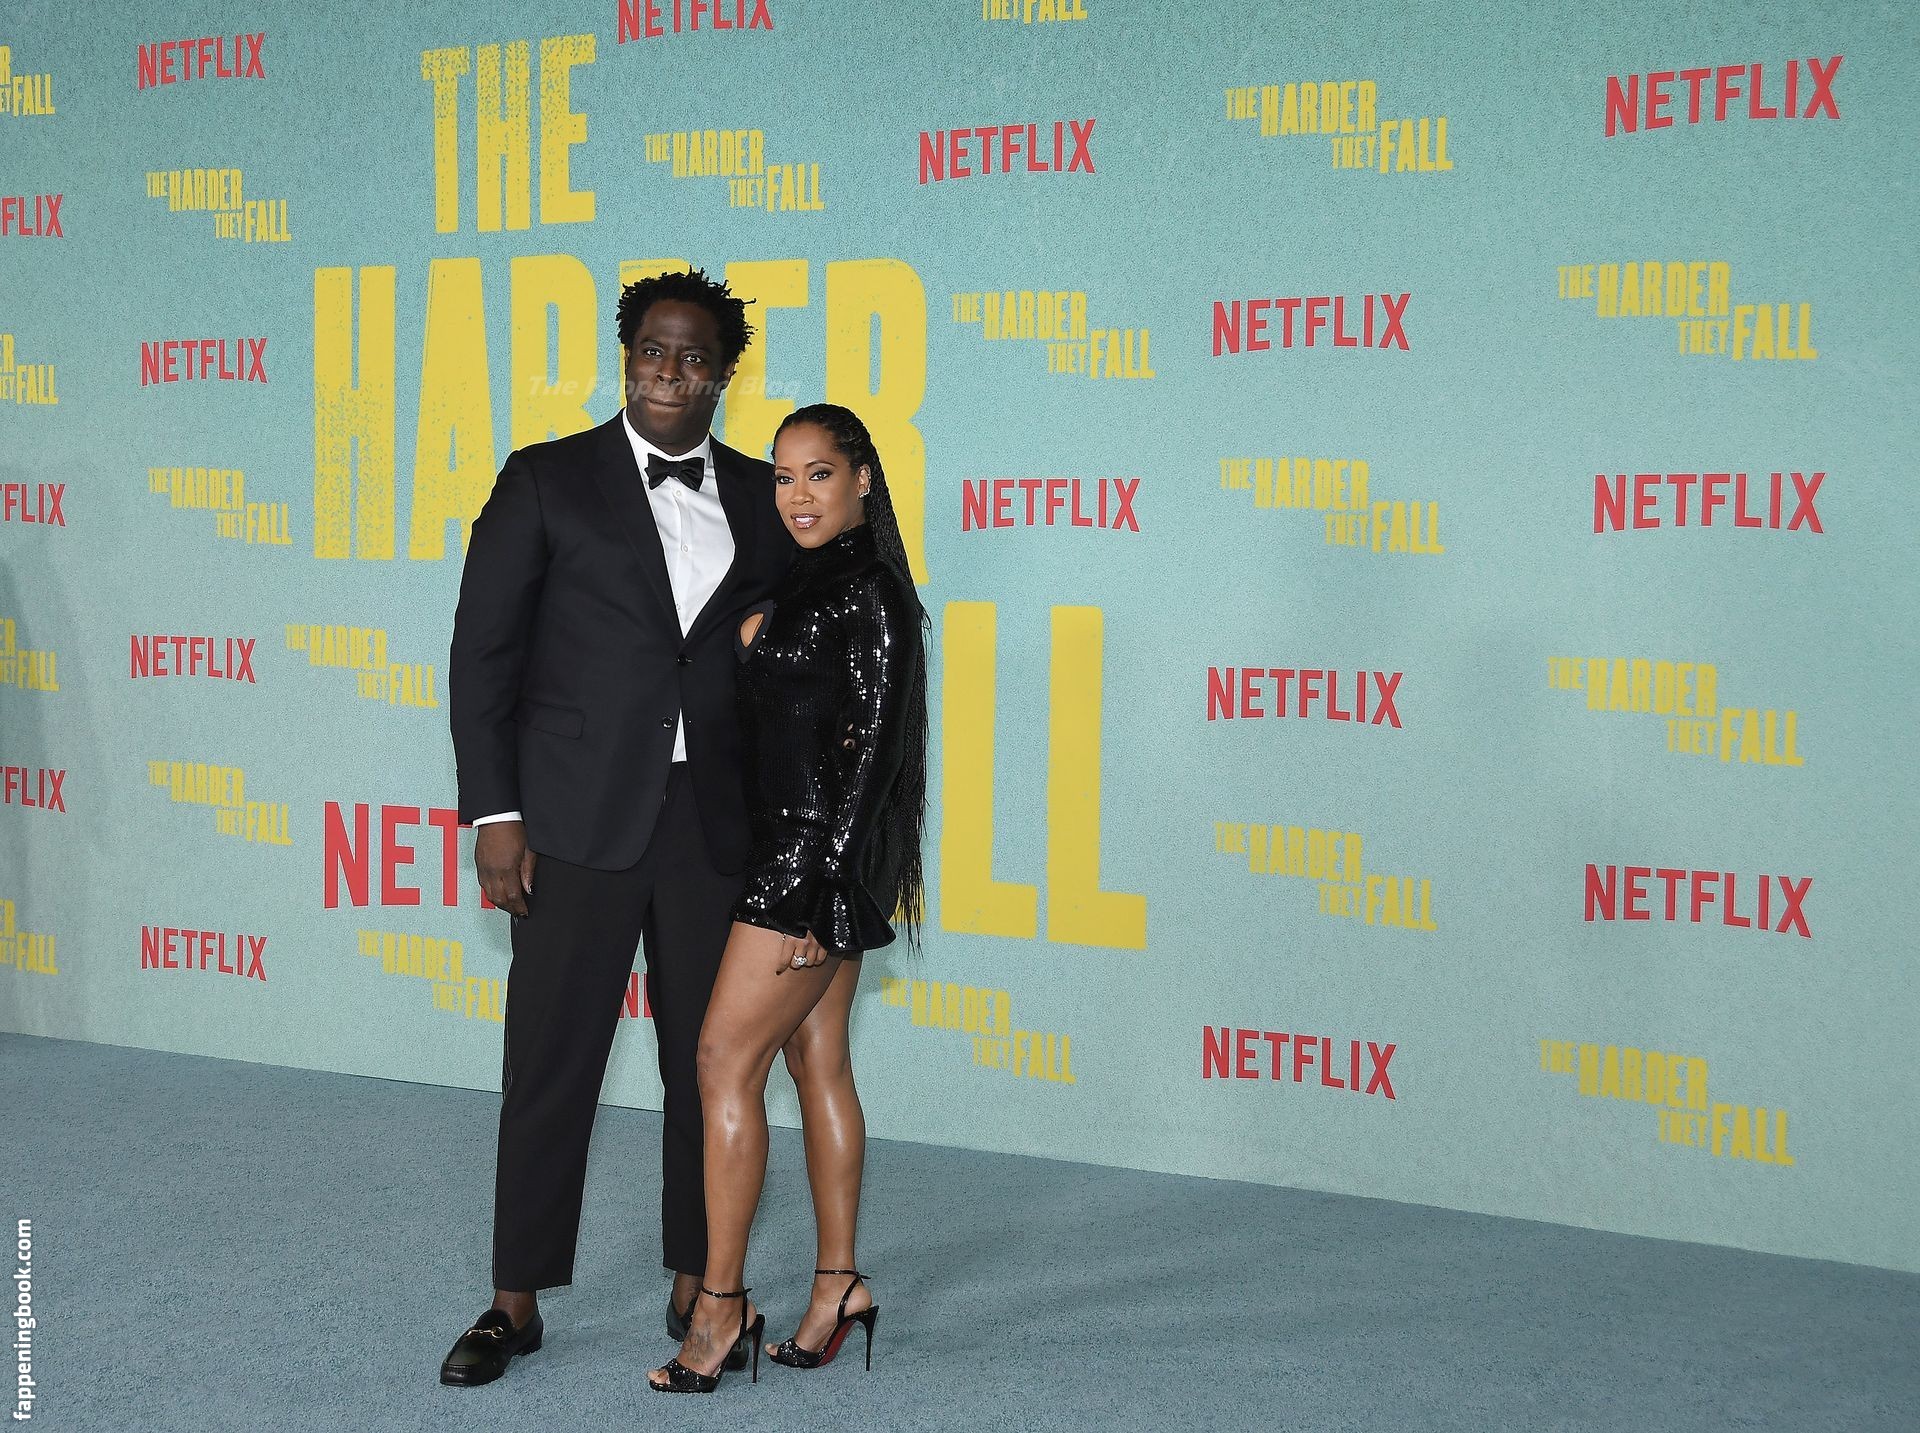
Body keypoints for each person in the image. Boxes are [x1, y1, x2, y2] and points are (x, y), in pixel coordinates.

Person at [439, 268, 793, 1387]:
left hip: (712, 827)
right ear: (626, 355)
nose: (669, 373)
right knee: (551, 1063)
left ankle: (700, 1277)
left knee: (708, 1062)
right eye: (652, 350)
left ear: (724, 375)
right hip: (573, 821)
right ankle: (515, 1299)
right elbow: (482, 654)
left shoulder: (762, 494)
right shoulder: (546, 478)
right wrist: (497, 812)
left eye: (694, 357)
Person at [647, 404, 929, 1393]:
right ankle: (838, 1285)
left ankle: (720, 1304)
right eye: (782, 476)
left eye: (819, 473)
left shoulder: (872, 591)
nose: (798, 495)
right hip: (798, 855)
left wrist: (824, 891)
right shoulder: (804, 580)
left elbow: (877, 754)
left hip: (808, 867)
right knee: (818, 1062)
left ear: (863, 479)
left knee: (722, 1062)